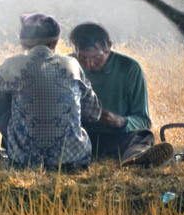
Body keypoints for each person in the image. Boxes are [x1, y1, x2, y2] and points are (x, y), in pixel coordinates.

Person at [0, 13, 102, 170]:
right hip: (74, 159)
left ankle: (16, 141)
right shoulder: (72, 64)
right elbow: (94, 112)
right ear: (55, 42)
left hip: (24, 159)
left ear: (23, 43)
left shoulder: (13, 65)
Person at [69, 22, 174, 168]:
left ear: (109, 46)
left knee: (143, 135)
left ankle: (136, 161)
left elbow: (143, 120)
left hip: (117, 137)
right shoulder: (68, 66)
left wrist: (121, 121)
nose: (89, 64)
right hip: (80, 136)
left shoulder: (130, 69)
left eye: (96, 58)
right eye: (82, 58)